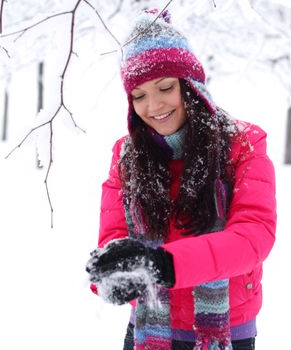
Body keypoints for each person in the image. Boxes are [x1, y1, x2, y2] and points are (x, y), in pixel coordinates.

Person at [86, 9, 276, 350]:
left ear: (190, 86)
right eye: (139, 95)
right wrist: (113, 273)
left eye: (165, 87)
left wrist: (166, 265)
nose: (154, 105)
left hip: (226, 332)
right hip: (148, 327)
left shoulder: (242, 144)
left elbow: (253, 236)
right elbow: (114, 236)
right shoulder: (126, 157)